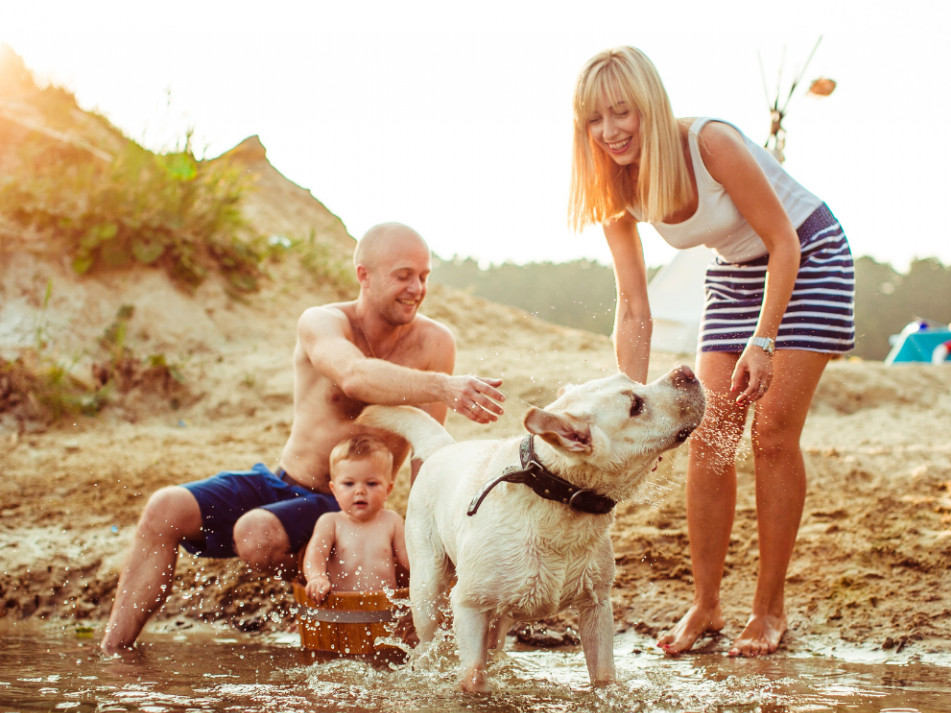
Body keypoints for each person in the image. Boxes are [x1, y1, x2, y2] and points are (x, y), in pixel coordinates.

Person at [101, 222, 505, 654]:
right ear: (363, 274)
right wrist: (445, 386)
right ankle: (113, 655)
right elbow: (354, 377)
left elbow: (426, 451)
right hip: (287, 482)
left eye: (424, 276)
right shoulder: (322, 321)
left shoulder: (435, 342)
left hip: (355, 502)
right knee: (164, 507)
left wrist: (430, 547)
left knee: (254, 534)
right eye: (404, 275)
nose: (417, 288)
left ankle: (353, 578)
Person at [568, 47, 854, 657]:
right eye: (596, 118)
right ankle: (707, 605)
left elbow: (783, 240)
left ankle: (769, 610)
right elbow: (634, 306)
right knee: (712, 434)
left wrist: (764, 340)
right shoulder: (612, 184)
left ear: (649, 106)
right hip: (734, 271)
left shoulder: (710, 143)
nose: (611, 130)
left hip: (808, 254)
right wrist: (630, 399)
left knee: (771, 430)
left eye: (623, 112)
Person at [304, 435, 409, 600]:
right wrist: (317, 576)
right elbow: (315, 553)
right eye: (349, 484)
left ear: (388, 490)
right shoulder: (331, 522)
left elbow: (409, 558)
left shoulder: (392, 521)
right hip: (342, 607)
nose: (360, 491)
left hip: (386, 607)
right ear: (334, 490)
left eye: (372, 483)